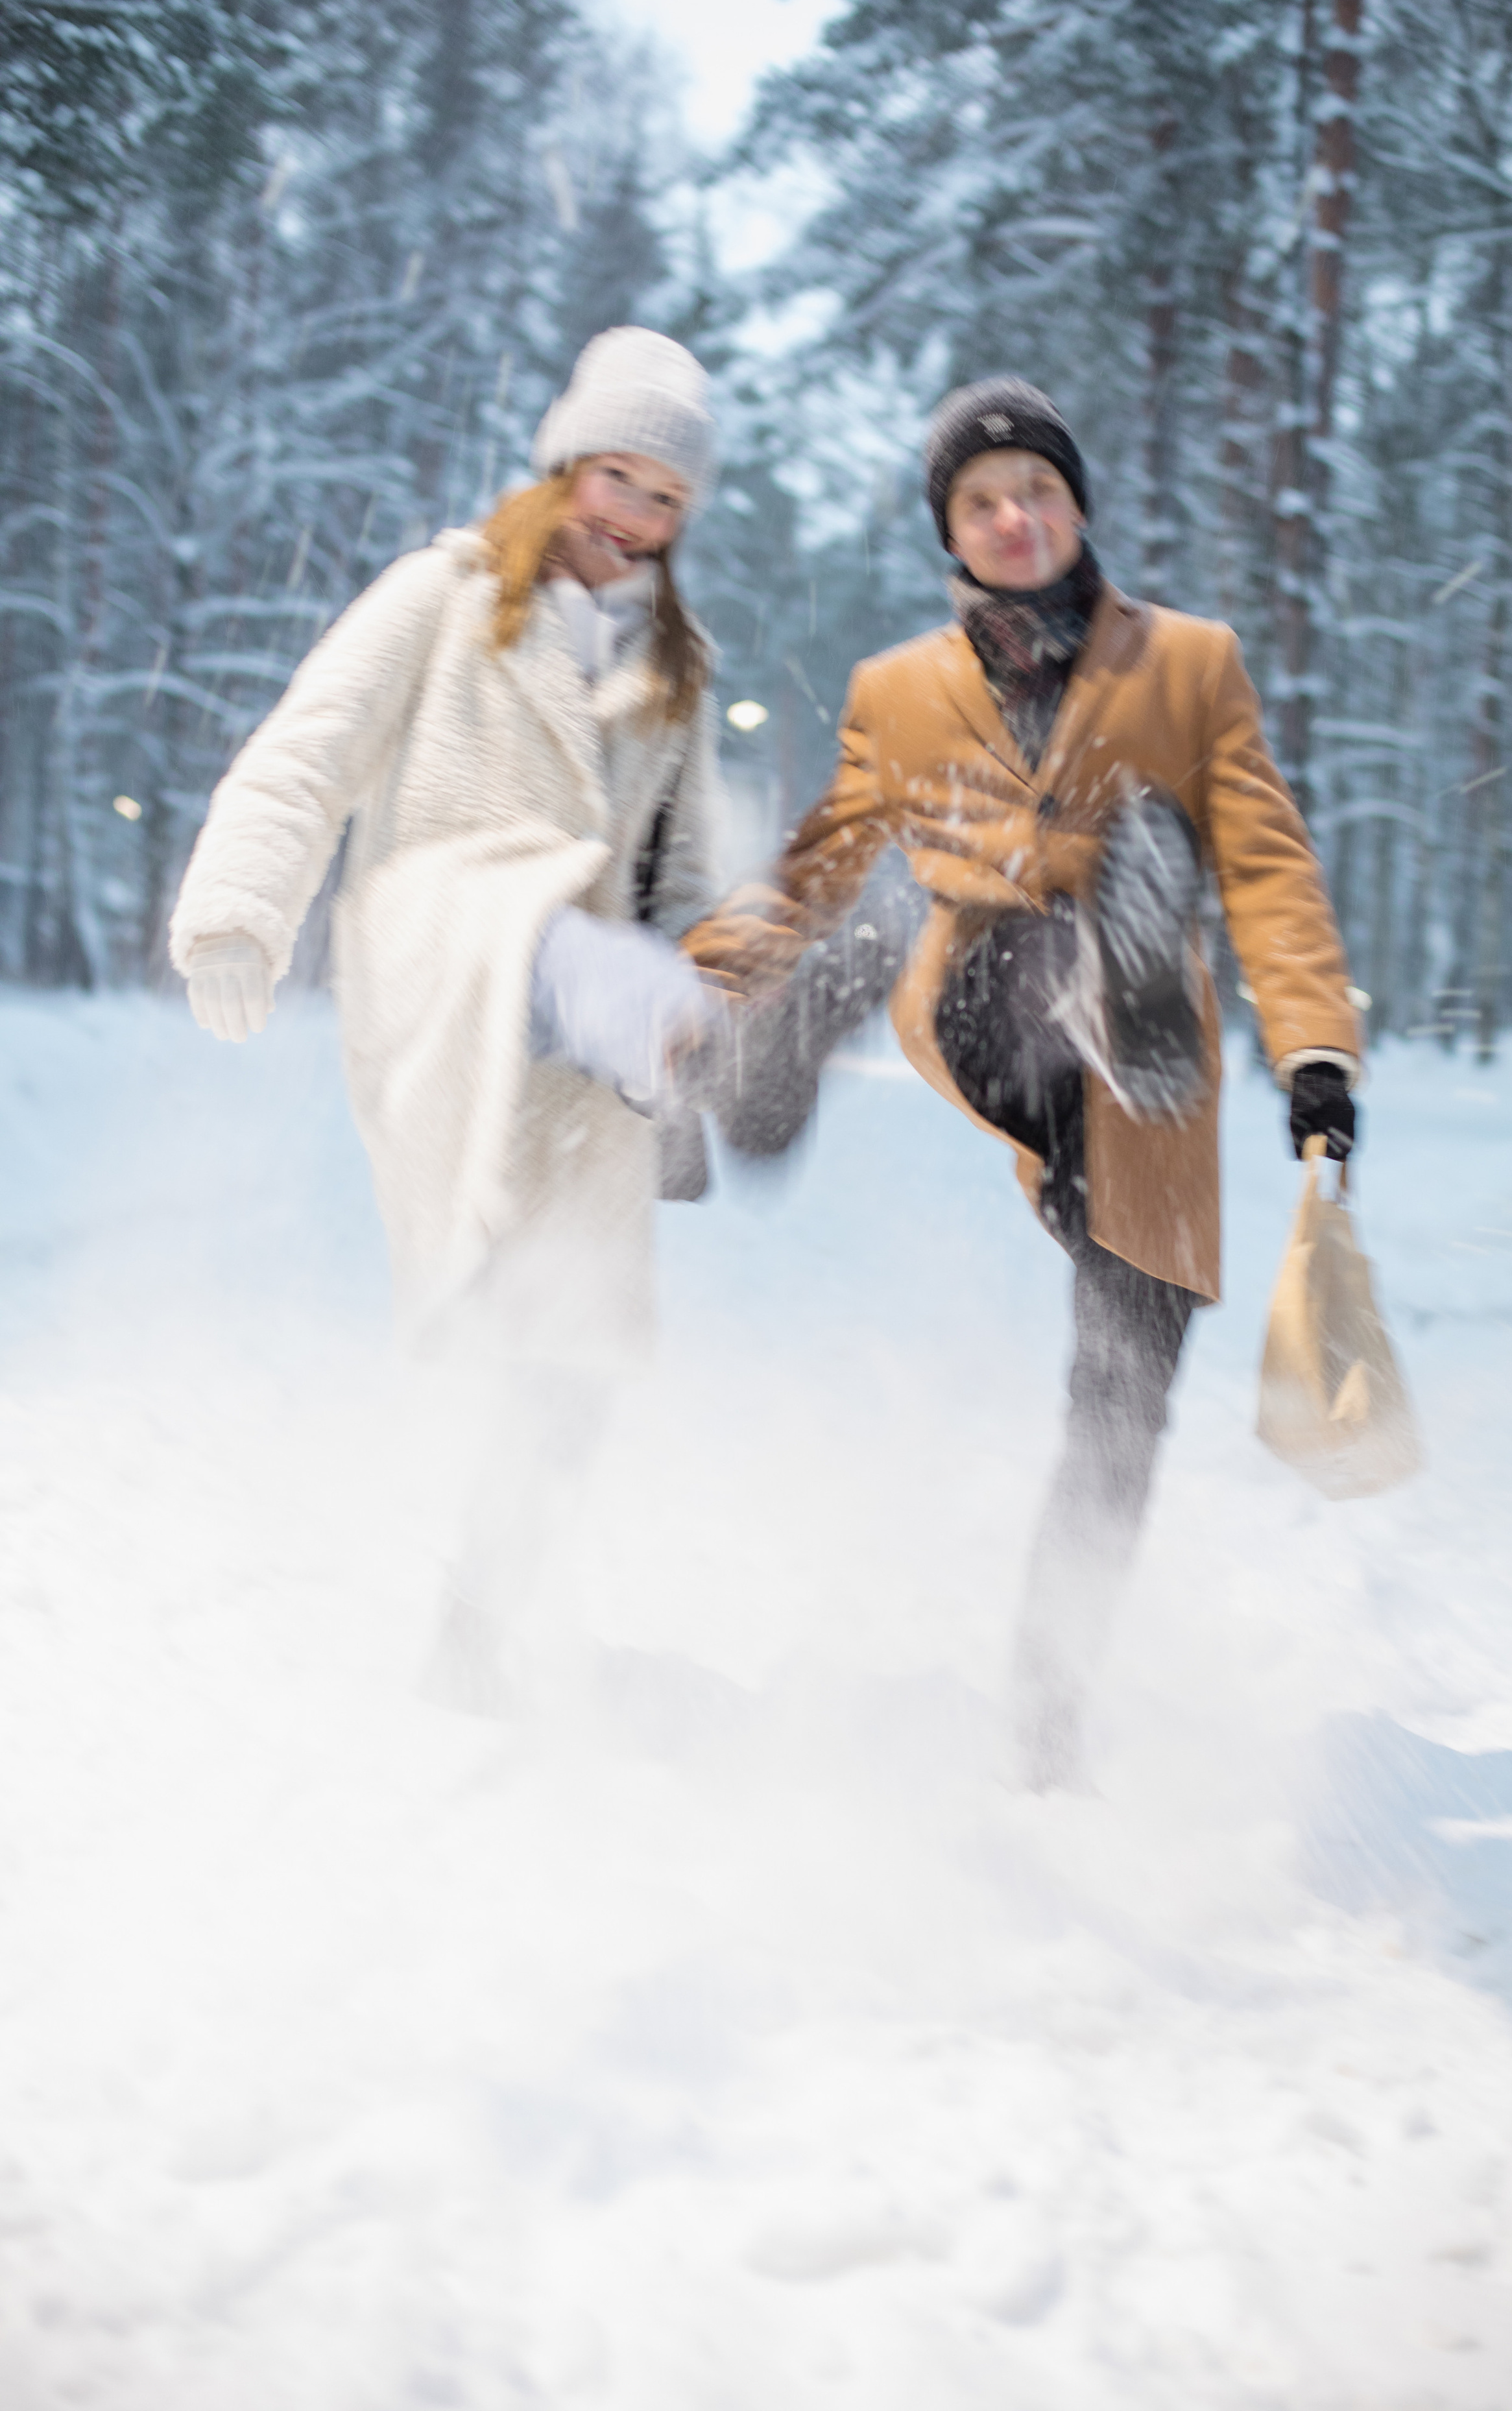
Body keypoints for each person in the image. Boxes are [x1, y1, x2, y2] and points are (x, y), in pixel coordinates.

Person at [681, 378, 1363, 1789]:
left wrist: (1311, 1051)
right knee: (898, 921)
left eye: (1034, 491)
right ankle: (794, 1042)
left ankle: (1047, 1711)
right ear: (953, 532)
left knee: (1121, 1396)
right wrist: (703, 983)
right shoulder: (899, 692)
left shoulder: (1189, 667)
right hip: (991, 998)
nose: (1012, 517)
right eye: (981, 501)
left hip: (1146, 1093)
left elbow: (1270, 866)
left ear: (1074, 506)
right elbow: (815, 854)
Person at [169, 326, 721, 1712]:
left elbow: (684, 878)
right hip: (450, 939)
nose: (633, 520)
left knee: (570, 1359)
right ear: (563, 464)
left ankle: (472, 1639)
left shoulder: (672, 669)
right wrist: (239, 907)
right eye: (616, 478)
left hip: (581, 1031)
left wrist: (714, 969)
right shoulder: (448, 591)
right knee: (559, 941)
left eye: (664, 498)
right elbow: (311, 747)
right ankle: (675, 1035)